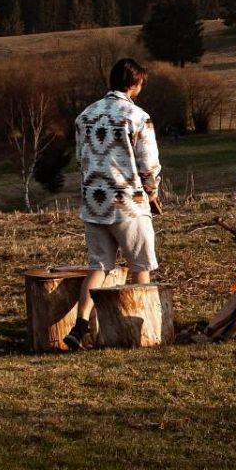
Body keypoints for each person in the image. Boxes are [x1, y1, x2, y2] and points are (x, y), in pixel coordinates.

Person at [63, 56, 162, 351]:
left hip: (94, 203)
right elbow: (149, 164)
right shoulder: (137, 117)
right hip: (129, 203)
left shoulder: (85, 116)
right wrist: (152, 191)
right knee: (140, 266)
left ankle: (80, 326)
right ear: (135, 83)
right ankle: (139, 327)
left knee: (98, 266)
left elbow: (81, 158)